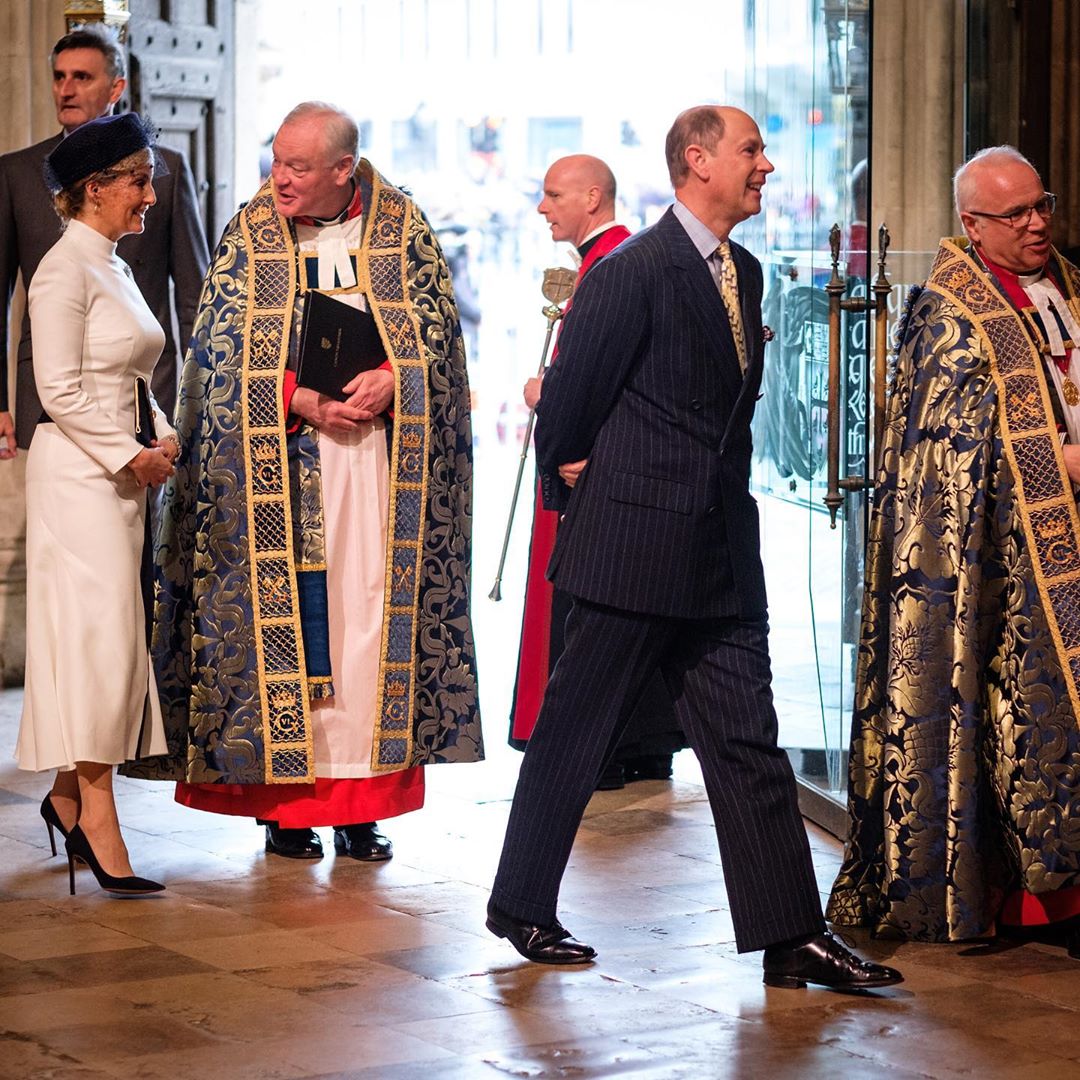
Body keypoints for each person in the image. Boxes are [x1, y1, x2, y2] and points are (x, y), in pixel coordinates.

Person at [485, 105, 901, 991]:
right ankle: (520, 905)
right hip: (628, 551)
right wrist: (594, 502)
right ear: (698, 160)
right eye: (753, 150)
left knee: (750, 744)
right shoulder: (632, 272)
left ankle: (792, 935)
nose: (767, 166)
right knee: (575, 737)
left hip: (718, 556)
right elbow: (563, 411)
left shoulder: (744, 272)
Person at [124, 102, 483, 861]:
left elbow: (441, 345)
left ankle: (361, 807)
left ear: (341, 171)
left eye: (295, 167)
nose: (277, 178)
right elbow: (214, 357)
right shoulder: (249, 236)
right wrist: (297, 396)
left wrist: (395, 379)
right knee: (298, 634)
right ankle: (285, 810)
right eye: (275, 161)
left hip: (378, 472)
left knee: (366, 632)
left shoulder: (403, 229)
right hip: (278, 473)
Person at [828, 146, 1080, 952]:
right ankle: (1036, 901)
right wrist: (1062, 461)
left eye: (1042, 205)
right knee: (1029, 730)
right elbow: (947, 450)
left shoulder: (1067, 281)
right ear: (971, 223)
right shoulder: (949, 310)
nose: (1036, 223)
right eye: (1015, 214)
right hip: (1008, 564)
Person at [16, 113, 178, 895]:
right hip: (78, 481)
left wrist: (165, 436)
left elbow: (130, 378)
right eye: (138, 181)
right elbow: (60, 391)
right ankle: (97, 812)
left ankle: (66, 796)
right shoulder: (61, 271)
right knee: (97, 646)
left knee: (111, 642)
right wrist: (128, 454)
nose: (150, 195)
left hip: (118, 477)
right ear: (94, 189)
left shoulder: (113, 263)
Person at [510, 154, 686, 790]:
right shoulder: (618, 258)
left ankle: (600, 747)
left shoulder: (609, 266)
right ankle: (643, 742)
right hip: (612, 467)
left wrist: (544, 395)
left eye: (553, 194)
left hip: (593, 471)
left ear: (592, 197)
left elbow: (599, 376)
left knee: (595, 608)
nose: (542, 207)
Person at [0, 22, 208, 458]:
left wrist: (199, 397)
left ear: (116, 87)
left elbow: (194, 298)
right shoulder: (17, 172)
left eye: (82, 77)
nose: (66, 89)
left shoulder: (165, 173)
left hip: (146, 392)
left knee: (147, 522)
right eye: (59, 77)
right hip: (48, 393)